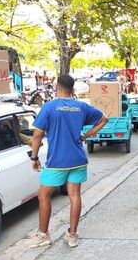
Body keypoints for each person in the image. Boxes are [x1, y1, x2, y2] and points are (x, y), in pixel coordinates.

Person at [27, 75, 109, 248]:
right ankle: (72, 235)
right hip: (78, 159)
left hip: (57, 161)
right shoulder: (81, 107)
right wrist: (86, 135)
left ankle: (43, 234)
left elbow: (37, 135)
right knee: (75, 196)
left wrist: (34, 158)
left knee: (43, 195)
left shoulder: (49, 107)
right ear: (72, 89)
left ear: (57, 87)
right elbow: (104, 119)